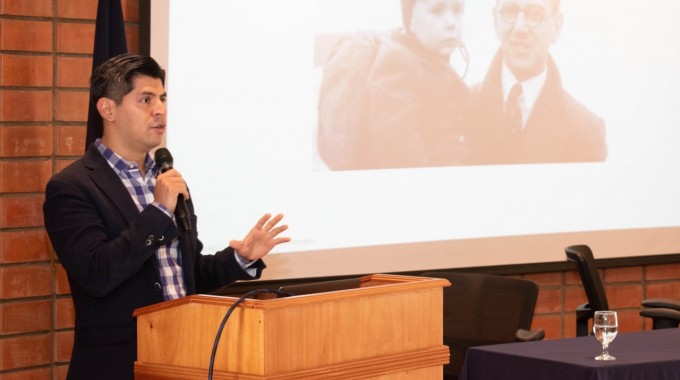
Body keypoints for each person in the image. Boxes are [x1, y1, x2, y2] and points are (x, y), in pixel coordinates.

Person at [42, 54, 291, 380]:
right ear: (108, 109)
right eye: (145, 99)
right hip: (119, 367)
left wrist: (239, 258)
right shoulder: (73, 187)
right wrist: (159, 212)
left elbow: (185, 275)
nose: (160, 110)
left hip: (183, 360)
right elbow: (96, 273)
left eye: (162, 99)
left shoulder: (169, 180)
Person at [317, 0, 469, 170]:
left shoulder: (433, 61)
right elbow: (399, 149)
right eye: (436, 11)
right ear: (410, 21)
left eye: (458, 10)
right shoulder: (397, 61)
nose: (451, 23)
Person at [464, 0, 607, 165]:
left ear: (557, 26)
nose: (520, 28)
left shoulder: (586, 133)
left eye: (535, 14)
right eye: (510, 11)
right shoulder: (457, 113)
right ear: (496, 20)